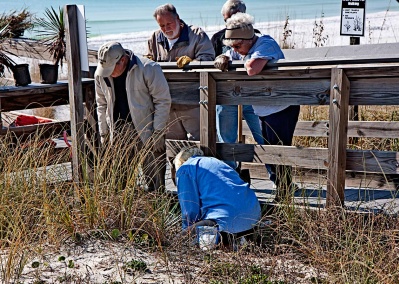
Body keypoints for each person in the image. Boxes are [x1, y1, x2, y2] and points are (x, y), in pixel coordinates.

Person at [214, 13, 300, 201]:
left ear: (249, 38)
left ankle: (285, 190)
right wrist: (224, 56)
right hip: (264, 108)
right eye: (232, 46)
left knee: (279, 150)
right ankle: (284, 190)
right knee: (270, 149)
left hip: (282, 107)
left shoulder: (265, 43)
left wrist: (237, 60)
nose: (236, 50)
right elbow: (229, 55)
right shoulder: (242, 48)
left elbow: (252, 69)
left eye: (238, 46)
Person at [95, 41, 171, 191]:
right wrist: (104, 133)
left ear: (122, 60)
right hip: (117, 132)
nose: (108, 73)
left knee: (155, 184)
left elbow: (163, 101)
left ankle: (157, 209)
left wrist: (158, 132)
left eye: (111, 68)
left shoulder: (149, 68)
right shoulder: (100, 74)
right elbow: (101, 105)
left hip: (148, 131)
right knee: (119, 183)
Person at [147, 3, 215, 141]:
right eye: (162, 25)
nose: (166, 28)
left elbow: (208, 59)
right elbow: (148, 61)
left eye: (169, 23)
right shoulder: (154, 38)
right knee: (174, 147)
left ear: (178, 18)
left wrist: (192, 62)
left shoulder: (197, 35)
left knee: (202, 143)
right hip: (167, 103)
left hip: (193, 102)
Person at [211, 0, 263, 170]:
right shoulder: (218, 38)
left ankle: (279, 179)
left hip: (252, 94)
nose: (228, 24)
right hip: (227, 96)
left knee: (264, 138)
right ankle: (231, 178)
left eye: (230, 19)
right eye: (225, 20)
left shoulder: (256, 37)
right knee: (226, 140)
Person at [173, 147, 261, 244]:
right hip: (253, 216)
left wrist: (186, 233)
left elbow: (189, 210)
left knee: (178, 241)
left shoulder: (185, 169)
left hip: (225, 220)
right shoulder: (215, 162)